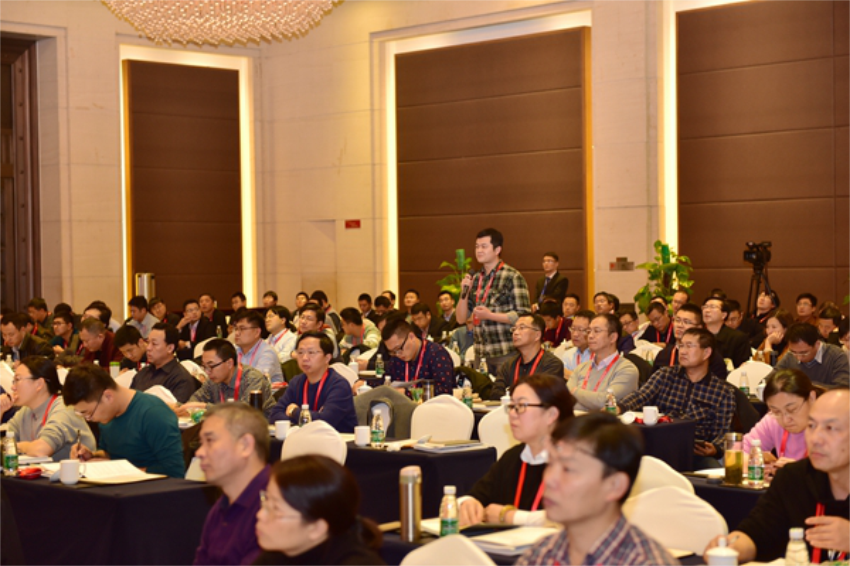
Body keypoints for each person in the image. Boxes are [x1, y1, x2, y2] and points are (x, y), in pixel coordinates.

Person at [704, 388, 850, 563]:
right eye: (811, 426)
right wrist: (732, 548)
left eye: (831, 428)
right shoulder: (794, 478)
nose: (816, 438)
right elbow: (758, 533)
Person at [516, 413, 679, 566]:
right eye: (550, 464)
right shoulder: (541, 554)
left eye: (568, 469)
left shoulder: (645, 562)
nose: (550, 479)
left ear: (615, 486)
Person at [461, 374, 575, 527]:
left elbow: (577, 516)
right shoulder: (514, 456)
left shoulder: (575, 461)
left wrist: (509, 516)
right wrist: (468, 503)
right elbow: (477, 495)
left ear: (551, 414)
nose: (512, 414)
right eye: (511, 406)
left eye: (521, 406)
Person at [618, 327, 735, 469]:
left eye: (689, 346)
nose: (683, 351)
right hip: (659, 445)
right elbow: (641, 396)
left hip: (695, 452)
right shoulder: (665, 375)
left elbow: (723, 430)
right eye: (681, 345)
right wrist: (619, 407)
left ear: (706, 353)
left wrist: (715, 448)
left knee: (714, 472)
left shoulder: (722, 391)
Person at [252, 455, 385, 566]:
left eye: (276, 509)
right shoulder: (278, 554)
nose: (260, 515)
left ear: (316, 528)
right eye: (266, 500)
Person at [64, 362, 185, 478]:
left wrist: (121, 471)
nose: (90, 419)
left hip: (152, 488)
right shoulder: (107, 416)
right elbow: (113, 454)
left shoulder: (154, 414)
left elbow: (175, 471)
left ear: (108, 396)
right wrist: (92, 455)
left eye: (89, 413)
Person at [192, 403, 271, 566]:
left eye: (210, 440)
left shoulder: (277, 507)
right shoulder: (221, 506)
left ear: (245, 445)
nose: (199, 452)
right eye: (201, 443)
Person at [456, 228, 531, 373]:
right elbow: (460, 319)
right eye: (477, 246)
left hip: (505, 352)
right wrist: (463, 293)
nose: (479, 250)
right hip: (480, 353)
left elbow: (524, 316)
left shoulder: (512, 276)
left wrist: (490, 316)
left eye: (484, 246)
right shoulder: (476, 279)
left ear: (497, 250)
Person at [6, 356, 95, 461]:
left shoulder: (64, 409)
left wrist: (18, 446)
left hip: (82, 470)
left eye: (17, 380)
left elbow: (41, 450)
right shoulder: (26, 410)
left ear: (39, 384)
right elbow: (5, 442)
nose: (13, 387)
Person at [267, 332, 357, 432]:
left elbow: (324, 422)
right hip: (303, 438)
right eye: (300, 352)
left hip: (336, 439)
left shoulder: (339, 385)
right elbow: (274, 416)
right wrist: (312, 416)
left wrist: (294, 411)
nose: (305, 358)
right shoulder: (296, 382)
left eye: (311, 353)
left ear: (327, 358)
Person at [742, 369, 820, 478]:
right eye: (776, 411)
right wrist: (760, 464)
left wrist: (800, 470)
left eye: (792, 409)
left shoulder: (834, 425)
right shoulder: (772, 420)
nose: (785, 420)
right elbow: (739, 453)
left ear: (811, 398)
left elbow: (839, 474)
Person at [181, 339, 274, 418]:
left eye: (211, 366)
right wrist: (184, 408)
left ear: (229, 363)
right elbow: (194, 401)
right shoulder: (212, 381)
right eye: (204, 367)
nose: (207, 372)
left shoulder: (253, 379)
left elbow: (246, 413)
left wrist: (206, 407)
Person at [567, 314, 638, 411]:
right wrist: (593, 401)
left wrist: (574, 391)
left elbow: (606, 403)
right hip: (575, 419)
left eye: (596, 331)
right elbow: (565, 399)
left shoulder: (627, 369)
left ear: (612, 337)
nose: (590, 336)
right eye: (589, 331)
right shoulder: (581, 368)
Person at [490, 315, 565, 400]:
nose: (515, 332)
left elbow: (544, 396)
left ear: (537, 335)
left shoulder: (552, 364)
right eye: (514, 329)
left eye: (522, 328)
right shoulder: (508, 364)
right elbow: (495, 394)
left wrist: (510, 395)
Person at [652, 303, 728, 380]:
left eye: (687, 322)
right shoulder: (663, 354)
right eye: (677, 320)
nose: (680, 325)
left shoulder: (709, 357)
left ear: (699, 328)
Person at [380, 318, 454, 396]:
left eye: (399, 348)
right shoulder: (396, 358)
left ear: (411, 337)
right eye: (392, 352)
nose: (398, 354)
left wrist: (407, 393)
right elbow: (384, 383)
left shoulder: (436, 354)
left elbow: (444, 390)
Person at [130, 323, 200, 402]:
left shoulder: (182, 379)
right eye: (148, 342)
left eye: (154, 344)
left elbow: (177, 408)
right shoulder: (142, 373)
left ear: (170, 348)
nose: (148, 348)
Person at [774, 322, 850, 388]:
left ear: (817, 344)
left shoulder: (836, 355)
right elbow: (772, 379)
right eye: (794, 352)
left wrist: (806, 386)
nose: (799, 358)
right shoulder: (790, 355)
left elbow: (843, 387)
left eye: (804, 353)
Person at [233, 310, 284, 385]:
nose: (237, 333)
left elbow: (256, 381)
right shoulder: (234, 350)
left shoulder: (267, 353)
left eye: (242, 329)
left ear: (257, 332)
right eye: (236, 328)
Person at [701, 297, 750, 368]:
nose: (707, 310)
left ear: (723, 315)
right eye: (705, 307)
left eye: (712, 307)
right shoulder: (697, 335)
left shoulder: (738, 338)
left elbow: (743, 367)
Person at [562, 310, 596, 378]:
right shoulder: (568, 355)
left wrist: (572, 375)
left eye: (580, 329)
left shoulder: (600, 355)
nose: (575, 334)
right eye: (573, 329)